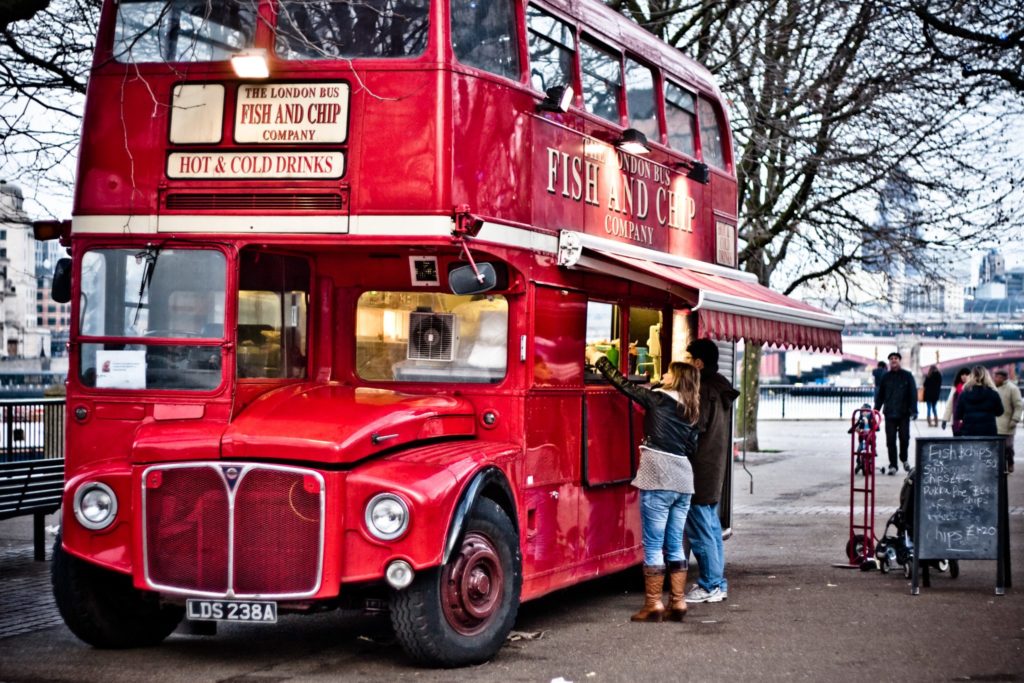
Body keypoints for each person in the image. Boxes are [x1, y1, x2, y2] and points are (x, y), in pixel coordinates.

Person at [585, 347, 701, 622]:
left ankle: (653, 604)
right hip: (684, 479)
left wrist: (598, 360)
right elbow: (692, 448)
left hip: (658, 475)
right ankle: (678, 601)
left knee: (652, 543)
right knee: (674, 543)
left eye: (668, 372)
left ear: (675, 379)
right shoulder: (692, 409)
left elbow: (624, 386)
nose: (663, 374)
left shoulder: (658, 399)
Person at [682, 338, 739, 605]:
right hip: (713, 469)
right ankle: (717, 583)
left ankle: (710, 585)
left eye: (687, 357)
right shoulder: (720, 387)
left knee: (700, 531)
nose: (684, 362)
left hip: (698, 470)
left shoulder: (704, 390)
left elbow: (696, 427)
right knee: (712, 529)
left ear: (698, 362)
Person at [874, 351, 917, 475]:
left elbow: (913, 394)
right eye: (891, 358)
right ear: (889, 361)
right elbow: (880, 395)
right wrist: (875, 410)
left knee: (905, 438)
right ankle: (893, 465)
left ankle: (903, 458)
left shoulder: (908, 376)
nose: (894, 360)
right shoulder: (885, 377)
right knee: (890, 441)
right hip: (890, 413)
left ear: (899, 361)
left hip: (904, 413)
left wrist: (914, 410)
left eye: (896, 358)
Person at [955, 366, 1004, 437]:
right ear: (987, 377)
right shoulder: (993, 394)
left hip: (969, 432)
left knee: (970, 448)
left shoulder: (964, 394)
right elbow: (1000, 412)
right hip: (988, 432)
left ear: (971, 377)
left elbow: (958, 415)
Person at [994, 370, 1022, 473]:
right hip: (995, 424)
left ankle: (1010, 463)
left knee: (1008, 447)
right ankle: (1001, 467)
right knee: (997, 448)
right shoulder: (994, 388)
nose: (995, 379)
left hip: (1008, 424)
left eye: (997, 377)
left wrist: (1015, 419)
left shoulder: (1012, 389)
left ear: (1003, 378)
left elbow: (1018, 406)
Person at [941, 367, 971, 435]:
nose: (964, 376)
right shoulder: (955, 388)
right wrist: (945, 419)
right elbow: (950, 403)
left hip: (968, 420)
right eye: (962, 374)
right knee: (957, 437)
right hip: (956, 419)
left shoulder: (972, 388)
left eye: (966, 374)